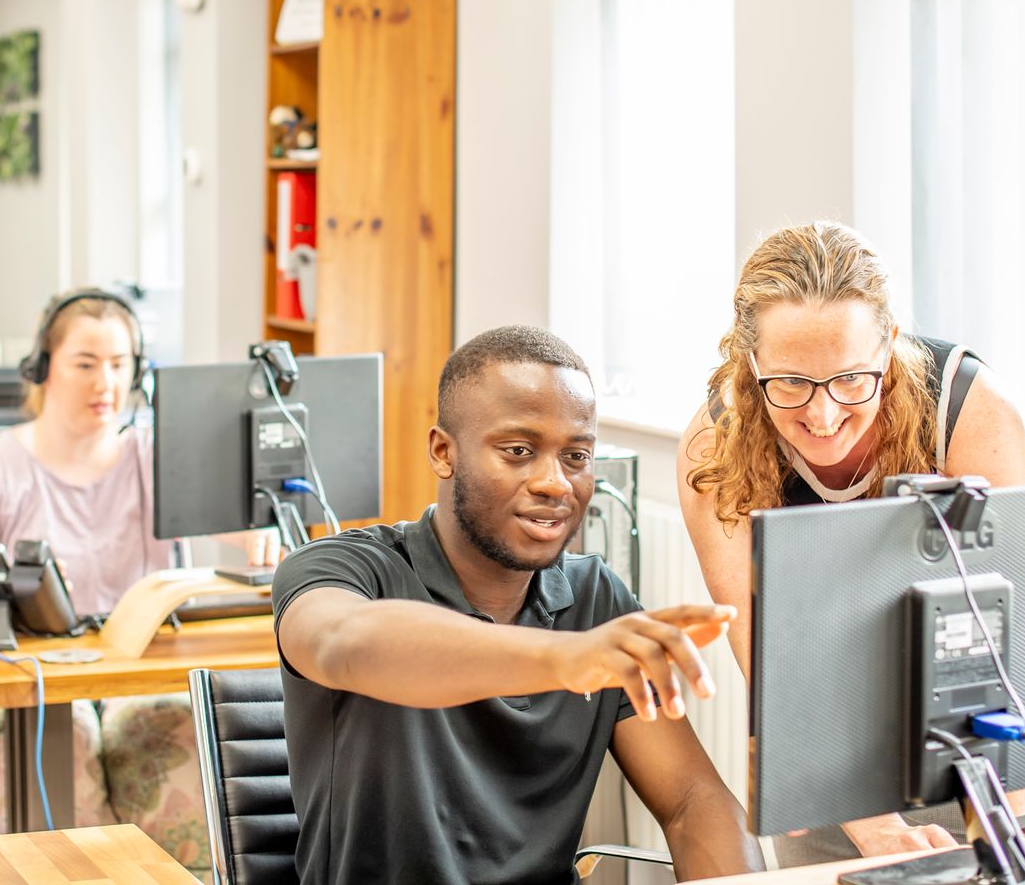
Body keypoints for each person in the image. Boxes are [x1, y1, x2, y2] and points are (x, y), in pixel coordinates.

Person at [274, 325, 763, 885]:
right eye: (519, 451)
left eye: (576, 455)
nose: (556, 483)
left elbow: (693, 801)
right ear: (443, 452)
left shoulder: (596, 600)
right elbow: (344, 644)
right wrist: (563, 658)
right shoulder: (342, 570)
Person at [677, 220, 1025, 862]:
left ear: (890, 347)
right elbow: (767, 653)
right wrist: (870, 826)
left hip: (984, 732)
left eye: (852, 379)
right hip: (823, 742)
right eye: (789, 382)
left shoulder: (969, 412)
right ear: (750, 362)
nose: (823, 419)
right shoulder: (716, 446)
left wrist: (1020, 833)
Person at [0, 289, 275, 871]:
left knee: (177, 765)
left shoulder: (159, 459)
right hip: (30, 683)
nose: (106, 384)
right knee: (65, 755)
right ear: (44, 369)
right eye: (86, 364)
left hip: (141, 677)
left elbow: (246, 526)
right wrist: (22, 589)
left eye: (120, 365)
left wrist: (254, 531)